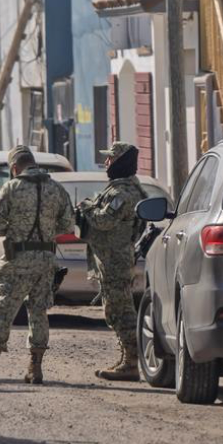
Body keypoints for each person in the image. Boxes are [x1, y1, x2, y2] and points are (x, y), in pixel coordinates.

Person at [0, 145, 74, 386]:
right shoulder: (56, 189)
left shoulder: (11, 188)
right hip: (46, 260)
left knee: (3, 311)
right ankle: (35, 369)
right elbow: (68, 225)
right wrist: (47, 234)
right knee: (38, 313)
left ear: (15, 168)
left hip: (16, 259)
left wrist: (13, 229)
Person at [78, 141, 149, 381]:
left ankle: (131, 363)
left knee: (121, 311)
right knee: (114, 309)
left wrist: (86, 208)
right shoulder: (121, 188)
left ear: (120, 162)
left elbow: (104, 221)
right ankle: (125, 359)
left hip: (115, 260)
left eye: (110, 159)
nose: (106, 163)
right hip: (110, 259)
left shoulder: (123, 193)